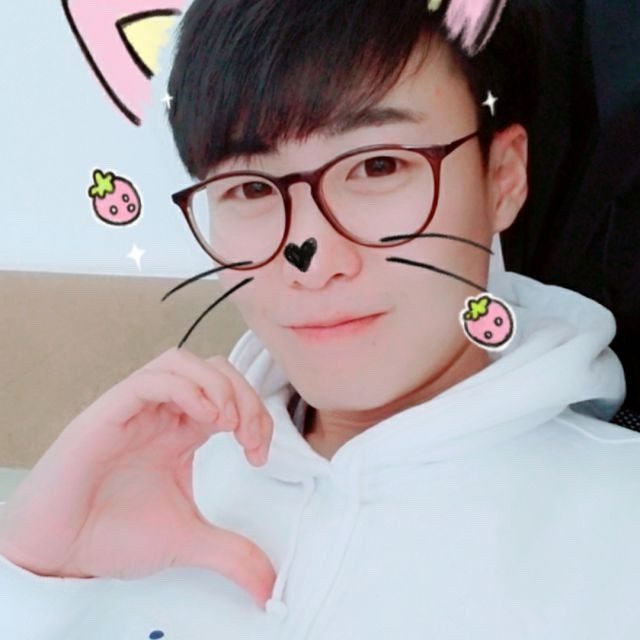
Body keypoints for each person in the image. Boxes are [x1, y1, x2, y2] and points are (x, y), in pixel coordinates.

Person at [1, 0, 639, 638]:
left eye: (377, 166)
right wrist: (31, 573)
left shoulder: (617, 530)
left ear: (502, 177)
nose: (311, 260)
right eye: (250, 187)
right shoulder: (141, 483)